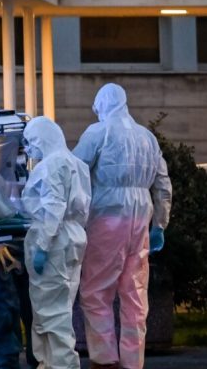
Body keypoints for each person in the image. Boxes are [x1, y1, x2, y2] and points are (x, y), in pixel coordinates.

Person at [73, 83, 172, 369]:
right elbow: (163, 185)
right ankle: (133, 361)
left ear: (102, 106)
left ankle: (105, 360)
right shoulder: (147, 138)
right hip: (141, 219)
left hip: (106, 217)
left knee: (96, 291)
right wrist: (160, 225)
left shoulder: (98, 133)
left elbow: (75, 171)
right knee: (134, 293)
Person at [21, 116, 92, 369]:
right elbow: (82, 209)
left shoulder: (52, 165)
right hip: (72, 238)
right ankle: (51, 364)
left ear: (42, 138)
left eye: (30, 143)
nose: (29, 149)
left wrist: (42, 245)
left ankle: (59, 365)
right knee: (58, 309)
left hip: (53, 242)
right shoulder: (76, 163)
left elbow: (53, 208)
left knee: (52, 316)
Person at [0, 243, 39, 369]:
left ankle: (36, 361)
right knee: (5, 315)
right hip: (5, 244)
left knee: (35, 317)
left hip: (30, 242)